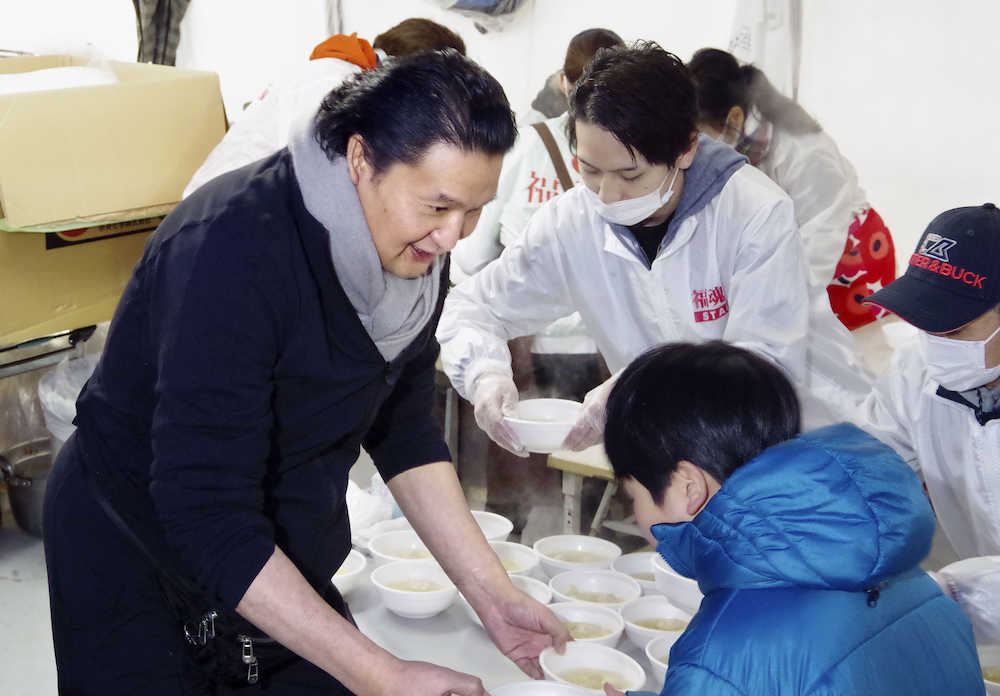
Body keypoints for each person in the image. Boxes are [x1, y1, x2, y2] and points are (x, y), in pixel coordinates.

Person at [42, 50, 568, 694]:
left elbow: (403, 431)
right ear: (360, 159)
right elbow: (203, 508)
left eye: (475, 210)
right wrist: (381, 670)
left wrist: (492, 594)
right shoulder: (231, 251)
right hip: (135, 546)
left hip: (267, 541)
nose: (453, 237)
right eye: (436, 207)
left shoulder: (414, 258)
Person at [437, 42, 868, 460]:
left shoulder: (752, 212)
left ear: (685, 150)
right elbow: (471, 307)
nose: (608, 194)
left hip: (812, 445)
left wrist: (642, 384)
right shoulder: (572, 222)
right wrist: (485, 375)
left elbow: (761, 369)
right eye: (589, 170)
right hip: (691, 457)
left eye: (630, 174)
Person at [601, 340, 984, 695]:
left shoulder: (722, 658)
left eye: (633, 493)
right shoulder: (908, 579)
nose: (635, 511)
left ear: (688, 487)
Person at [859, 202, 1000, 645]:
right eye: (923, 321)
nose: (934, 344)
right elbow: (863, 462)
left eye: (953, 329)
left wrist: (952, 593)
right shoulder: (917, 372)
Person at [687, 48, 897, 342]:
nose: (696, 149)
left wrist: (782, 303)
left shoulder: (802, 151)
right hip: (801, 251)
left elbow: (822, 236)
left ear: (734, 118)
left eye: (700, 136)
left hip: (848, 258)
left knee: (849, 356)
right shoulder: (744, 146)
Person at [182, 18, 466, 197]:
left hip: (239, 208)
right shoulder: (331, 82)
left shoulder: (346, 77)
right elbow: (314, 177)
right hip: (216, 219)